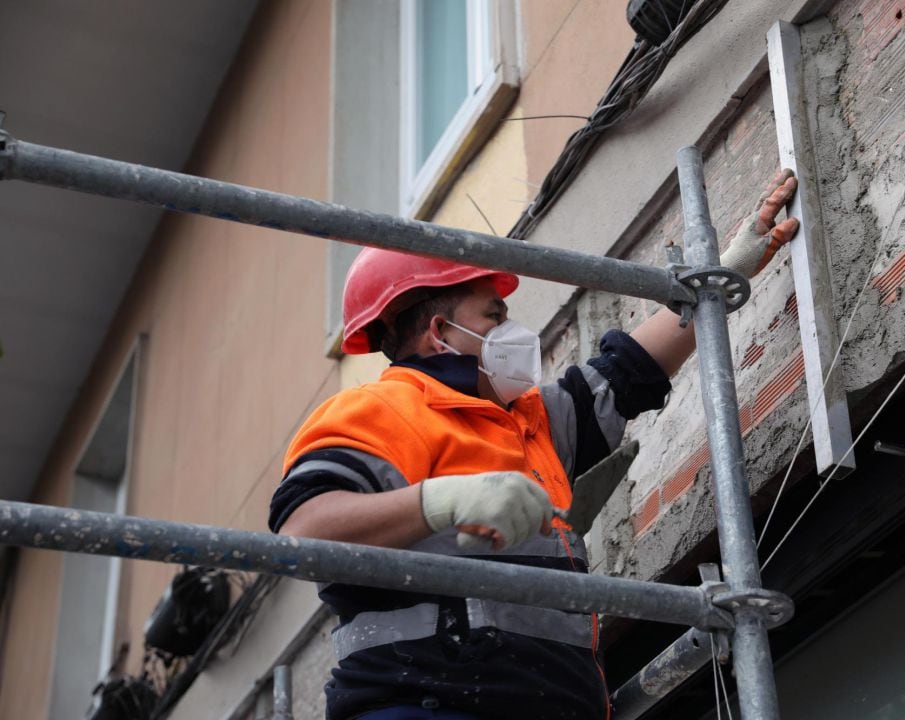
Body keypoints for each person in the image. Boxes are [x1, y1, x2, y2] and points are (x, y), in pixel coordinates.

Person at [269, 170, 799, 720]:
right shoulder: (380, 411)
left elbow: (627, 373)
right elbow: (304, 533)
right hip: (423, 706)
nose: (511, 330)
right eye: (494, 316)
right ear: (440, 332)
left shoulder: (529, 420)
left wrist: (722, 279)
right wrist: (443, 502)